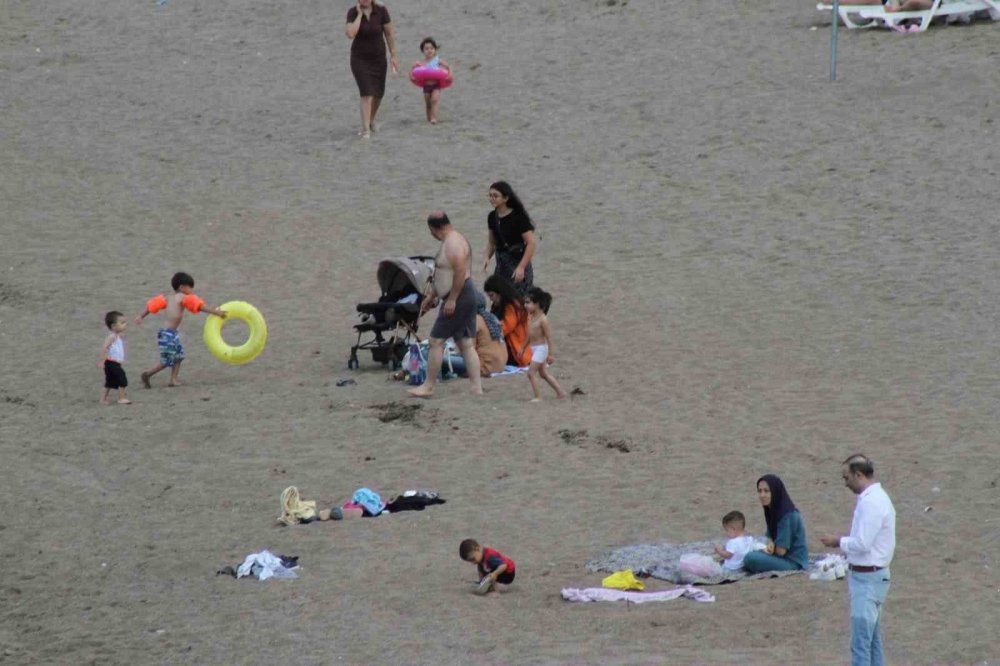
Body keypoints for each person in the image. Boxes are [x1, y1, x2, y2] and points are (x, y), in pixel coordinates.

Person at [820, 455, 896, 666]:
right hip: (873, 577)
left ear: (859, 474)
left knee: (861, 644)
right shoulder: (876, 498)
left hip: (868, 579)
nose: (846, 484)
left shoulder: (872, 502)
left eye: (847, 478)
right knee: (872, 640)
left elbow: (863, 543)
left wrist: (838, 541)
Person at [407, 212, 483, 398]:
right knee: (465, 343)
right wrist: (433, 295)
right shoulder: (450, 240)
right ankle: (476, 388)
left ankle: (428, 386)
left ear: (434, 228)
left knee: (435, 341)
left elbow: (460, 271)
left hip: (460, 295)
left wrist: (452, 299)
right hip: (459, 295)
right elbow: (443, 274)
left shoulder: (453, 243)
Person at [134, 272, 226, 388]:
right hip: (168, 334)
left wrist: (141, 316)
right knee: (166, 360)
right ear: (182, 287)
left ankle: (173, 379)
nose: (191, 290)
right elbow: (199, 306)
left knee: (179, 356)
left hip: (169, 333)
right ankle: (147, 375)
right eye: (189, 287)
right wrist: (215, 312)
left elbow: (151, 306)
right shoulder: (183, 297)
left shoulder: (167, 297)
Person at [345, 0, 399, 139]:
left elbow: (389, 33)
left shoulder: (381, 10)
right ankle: (365, 130)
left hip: (378, 58)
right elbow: (350, 34)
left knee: (379, 93)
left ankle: (371, 120)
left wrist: (393, 55)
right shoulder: (352, 12)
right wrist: (359, 15)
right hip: (359, 59)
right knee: (366, 93)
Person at [742, 474, 809, 573]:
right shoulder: (772, 509)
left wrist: (767, 548)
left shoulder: (786, 515)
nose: (762, 495)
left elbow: (781, 551)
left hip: (792, 562)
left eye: (766, 491)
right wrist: (770, 544)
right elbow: (769, 537)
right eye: (759, 491)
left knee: (750, 557)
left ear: (775, 491)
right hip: (780, 556)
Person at [483, 181, 537, 294]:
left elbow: (531, 243)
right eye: (490, 195)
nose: (492, 198)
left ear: (505, 198)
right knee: (499, 298)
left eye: (495, 196)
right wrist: (487, 257)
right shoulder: (492, 217)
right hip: (501, 265)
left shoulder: (518, 217)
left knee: (520, 300)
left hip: (517, 262)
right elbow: (492, 242)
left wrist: (521, 267)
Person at [520, 287, 566, 401]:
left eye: (528, 302)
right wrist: (522, 348)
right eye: (525, 302)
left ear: (537, 304)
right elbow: (529, 336)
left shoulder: (543, 320)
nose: (525, 305)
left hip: (541, 349)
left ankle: (538, 397)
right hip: (534, 348)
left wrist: (550, 354)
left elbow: (549, 338)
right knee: (543, 374)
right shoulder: (531, 318)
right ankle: (560, 392)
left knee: (531, 373)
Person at [484, 274, 530, 367]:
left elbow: (505, 328)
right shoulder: (498, 305)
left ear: (499, 293)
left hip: (514, 349)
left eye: (491, 295)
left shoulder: (512, 306)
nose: (491, 299)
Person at [409, 37, 450, 125]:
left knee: (434, 100)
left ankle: (434, 118)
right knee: (428, 104)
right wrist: (411, 76)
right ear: (423, 51)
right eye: (426, 49)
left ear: (435, 50)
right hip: (426, 86)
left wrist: (450, 75)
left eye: (431, 48)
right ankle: (429, 118)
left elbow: (448, 67)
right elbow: (412, 70)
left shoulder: (438, 60)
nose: (429, 50)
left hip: (436, 85)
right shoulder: (421, 63)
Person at [98, 311, 131, 405]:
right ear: (113, 326)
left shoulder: (116, 335)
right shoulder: (112, 337)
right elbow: (105, 347)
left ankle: (102, 399)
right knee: (122, 379)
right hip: (111, 363)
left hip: (114, 363)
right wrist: (102, 360)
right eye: (122, 323)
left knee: (109, 382)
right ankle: (121, 398)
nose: (125, 325)